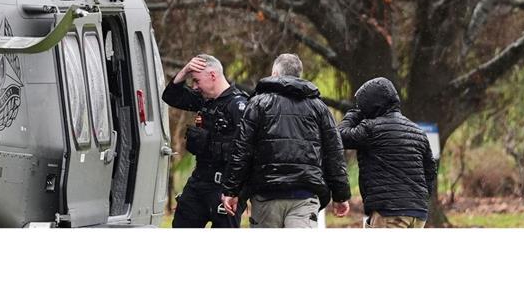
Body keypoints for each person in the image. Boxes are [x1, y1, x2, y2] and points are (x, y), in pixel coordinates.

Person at [220, 53, 351, 228]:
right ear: (299, 74)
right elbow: (334, 153)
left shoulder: (257, 104)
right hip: (305, 194)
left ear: (275, 73)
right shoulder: (319, 107)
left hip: (266, 193)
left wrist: (231, 190)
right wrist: (341, 195)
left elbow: (242, 150)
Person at [162, 54, 249, 228]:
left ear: (213, 76)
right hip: (199, 182)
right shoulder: (204, 101)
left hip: (225, 188)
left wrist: (236, 191)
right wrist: (186, 70)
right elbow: (170, 96)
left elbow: (248, 152)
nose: (194, 87)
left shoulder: (239, 105)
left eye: (196, 80)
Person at [338, 76, 436, 228]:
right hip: (418, 213)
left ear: (371, 105)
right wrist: (419, 199)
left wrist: (354, 114)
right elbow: (430, 171)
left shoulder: (371, 128)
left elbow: (340, 136)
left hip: (390, 211)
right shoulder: (417, 131)